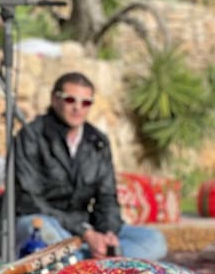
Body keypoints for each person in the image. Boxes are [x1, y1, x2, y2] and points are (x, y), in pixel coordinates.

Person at [13, 71, 167, 260]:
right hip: (43, 221)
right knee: (41, 231)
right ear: (54, 99)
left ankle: (81, 261)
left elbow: (107, 198)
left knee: (154, 240)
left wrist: (108, 233)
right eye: (70, 100)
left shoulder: (98, 142)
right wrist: (85, 233)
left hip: (86, 229)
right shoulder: (31, 136)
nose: (78, 108)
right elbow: (29, 200)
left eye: (86, 103)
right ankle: (91, 264)